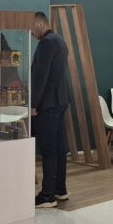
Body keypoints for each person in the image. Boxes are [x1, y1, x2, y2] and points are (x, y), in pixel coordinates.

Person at [31, 11, 70, 208]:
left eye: (31, 28)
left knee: (48, 149)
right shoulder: (60, 41)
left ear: (40, 24)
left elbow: (40, 77)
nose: (30, 33)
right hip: (60, 101)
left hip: (47, 104)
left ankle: (47, 196)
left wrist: (33, 104)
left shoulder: (46, 44)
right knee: (59, 147)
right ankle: (60, 189)